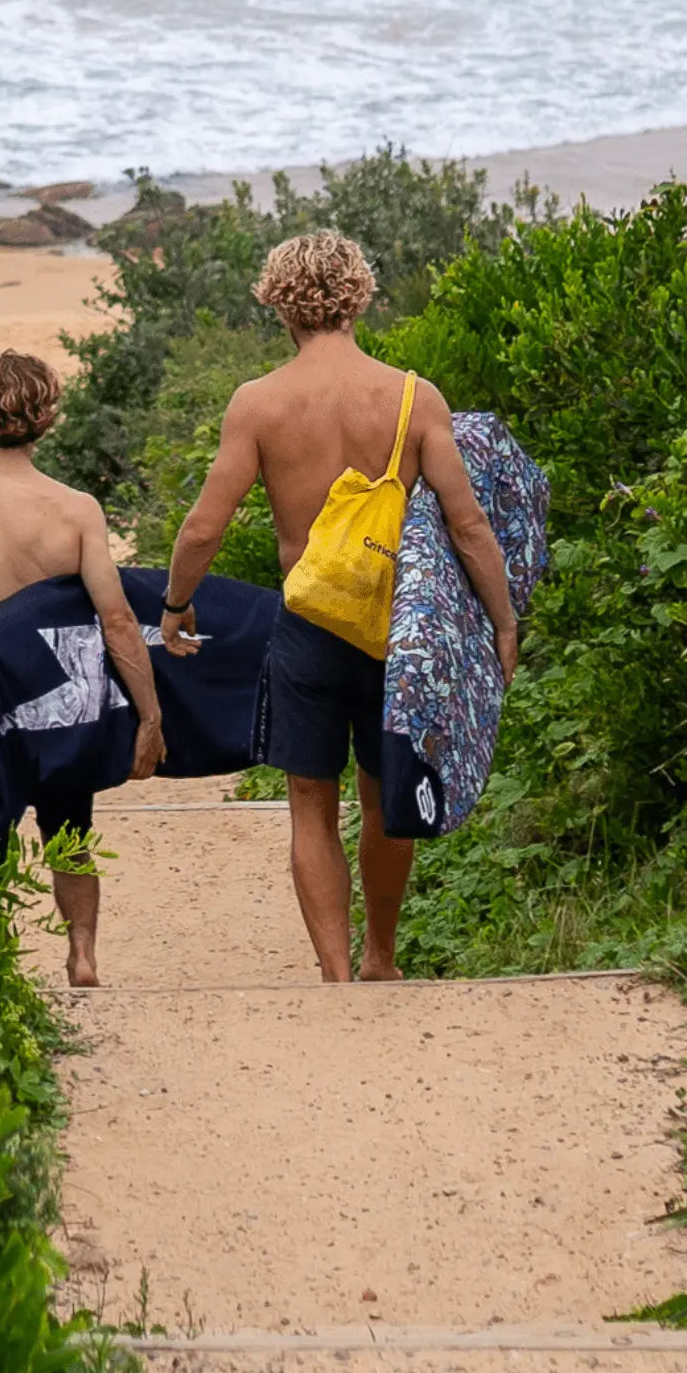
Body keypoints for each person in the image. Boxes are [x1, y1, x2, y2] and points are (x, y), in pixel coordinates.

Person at [162, 231, 517, 983]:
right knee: (387, 797)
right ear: (360, 295)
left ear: (276, 301)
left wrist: (176, 602)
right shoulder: (416, 397)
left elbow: (204, 525)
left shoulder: (258, 403)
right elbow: (468, 523)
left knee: (310, 805)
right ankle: (382, 959)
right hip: (395, 629)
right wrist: (503, 621)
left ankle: (333, 970)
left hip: (310, 629)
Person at [0, 350, 166, 986]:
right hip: (57, 698)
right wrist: (149, 714)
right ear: (46, 417)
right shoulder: (75, 510)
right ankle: (81, 955)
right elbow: (117, 622)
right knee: (69, 828)